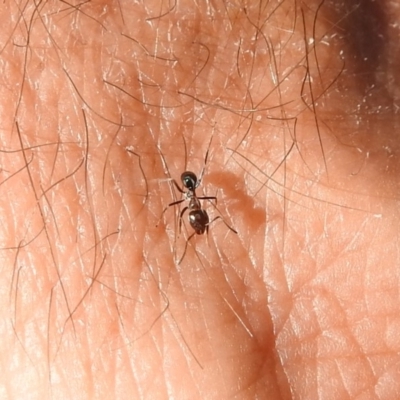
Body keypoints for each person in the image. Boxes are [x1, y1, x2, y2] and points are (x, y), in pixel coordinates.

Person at [2, 1, 399, 398]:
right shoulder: (189, 199)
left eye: (199, 219)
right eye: (200, 218)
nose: (198, 215)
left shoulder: (199, 198)